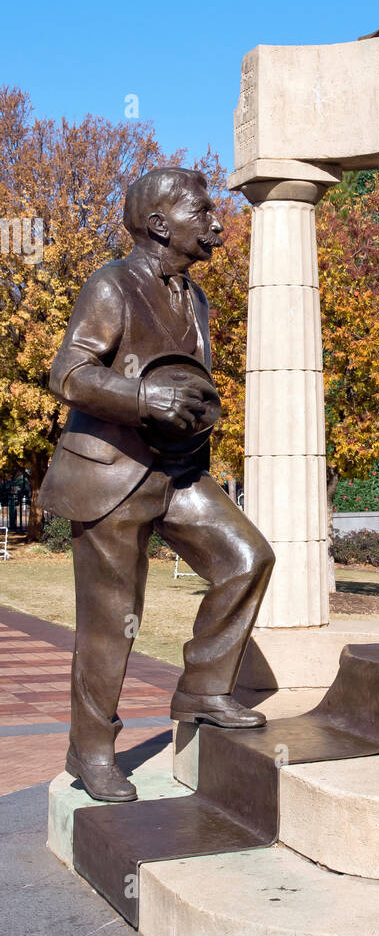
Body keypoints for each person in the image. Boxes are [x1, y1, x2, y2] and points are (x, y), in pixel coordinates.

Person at [39, 166, 275, 802]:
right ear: (159, 223)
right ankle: (90, 749)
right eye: (202, 213)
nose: (216, 225)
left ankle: (201, 689)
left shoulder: (195, 298)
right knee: (111, 621)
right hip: (110, 475)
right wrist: (141, 396)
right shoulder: (112, 284)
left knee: (245, 557)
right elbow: (69, 372)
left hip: (177, 470)